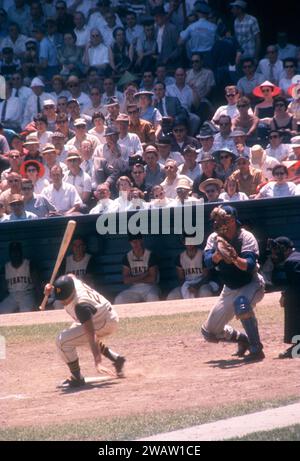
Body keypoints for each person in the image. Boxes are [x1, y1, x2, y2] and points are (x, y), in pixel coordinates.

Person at [201, 205, 265, 361]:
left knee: (242, 304)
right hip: (229, 288)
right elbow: (208, 262)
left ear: (235, 221)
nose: (222, 223)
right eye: (218, 220)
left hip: (251, 284)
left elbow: (249, 265)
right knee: (209, 332)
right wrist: (218, 254)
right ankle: (243, 340)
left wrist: (234, 258)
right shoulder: (214, 238)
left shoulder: (245, 236)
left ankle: (256, 348)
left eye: (226, 220)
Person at [43, 274, 125, 388]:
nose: (62, 301)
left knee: (62, 341)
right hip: (103, 314)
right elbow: (70, 276)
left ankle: (77, 378)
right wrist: (53, 288)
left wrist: (98, 362)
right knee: (74, 337)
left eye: (64, 297)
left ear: (71, 293)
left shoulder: (81, 306)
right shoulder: (72, 282)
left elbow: (91, 335)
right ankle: (117, 359)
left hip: (104, 322)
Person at [268, 237, 300, 359]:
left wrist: (284, 295)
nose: (274, 255)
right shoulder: (296, 257)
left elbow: (296, 286)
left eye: (275, 251)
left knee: (292, 298)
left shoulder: (291, 262)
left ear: (284, 249)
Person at [114, 234, 160, 304]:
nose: (135, 244)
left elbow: (152, 279)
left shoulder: (150, 255)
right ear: (130, 243)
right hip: (134, 288)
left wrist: (133, 279)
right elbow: (126, 280)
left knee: (153, 297)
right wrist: (143, 275)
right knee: (119, 299)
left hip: (150, 287)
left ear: (141, 241)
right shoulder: (127, 257)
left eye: (137, 241)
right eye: (133, 242)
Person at [0, 241, 37, 314]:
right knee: (1, 310)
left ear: (21, 252)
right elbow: (3, 289)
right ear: (10, 254)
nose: (15, 254)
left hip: (27, 293)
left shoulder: (29, 264)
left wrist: (39, 301)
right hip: (12, 296)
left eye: (17, 251)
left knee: (26, 312)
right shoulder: (5, 268)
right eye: (13, 252)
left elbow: (37, 285)